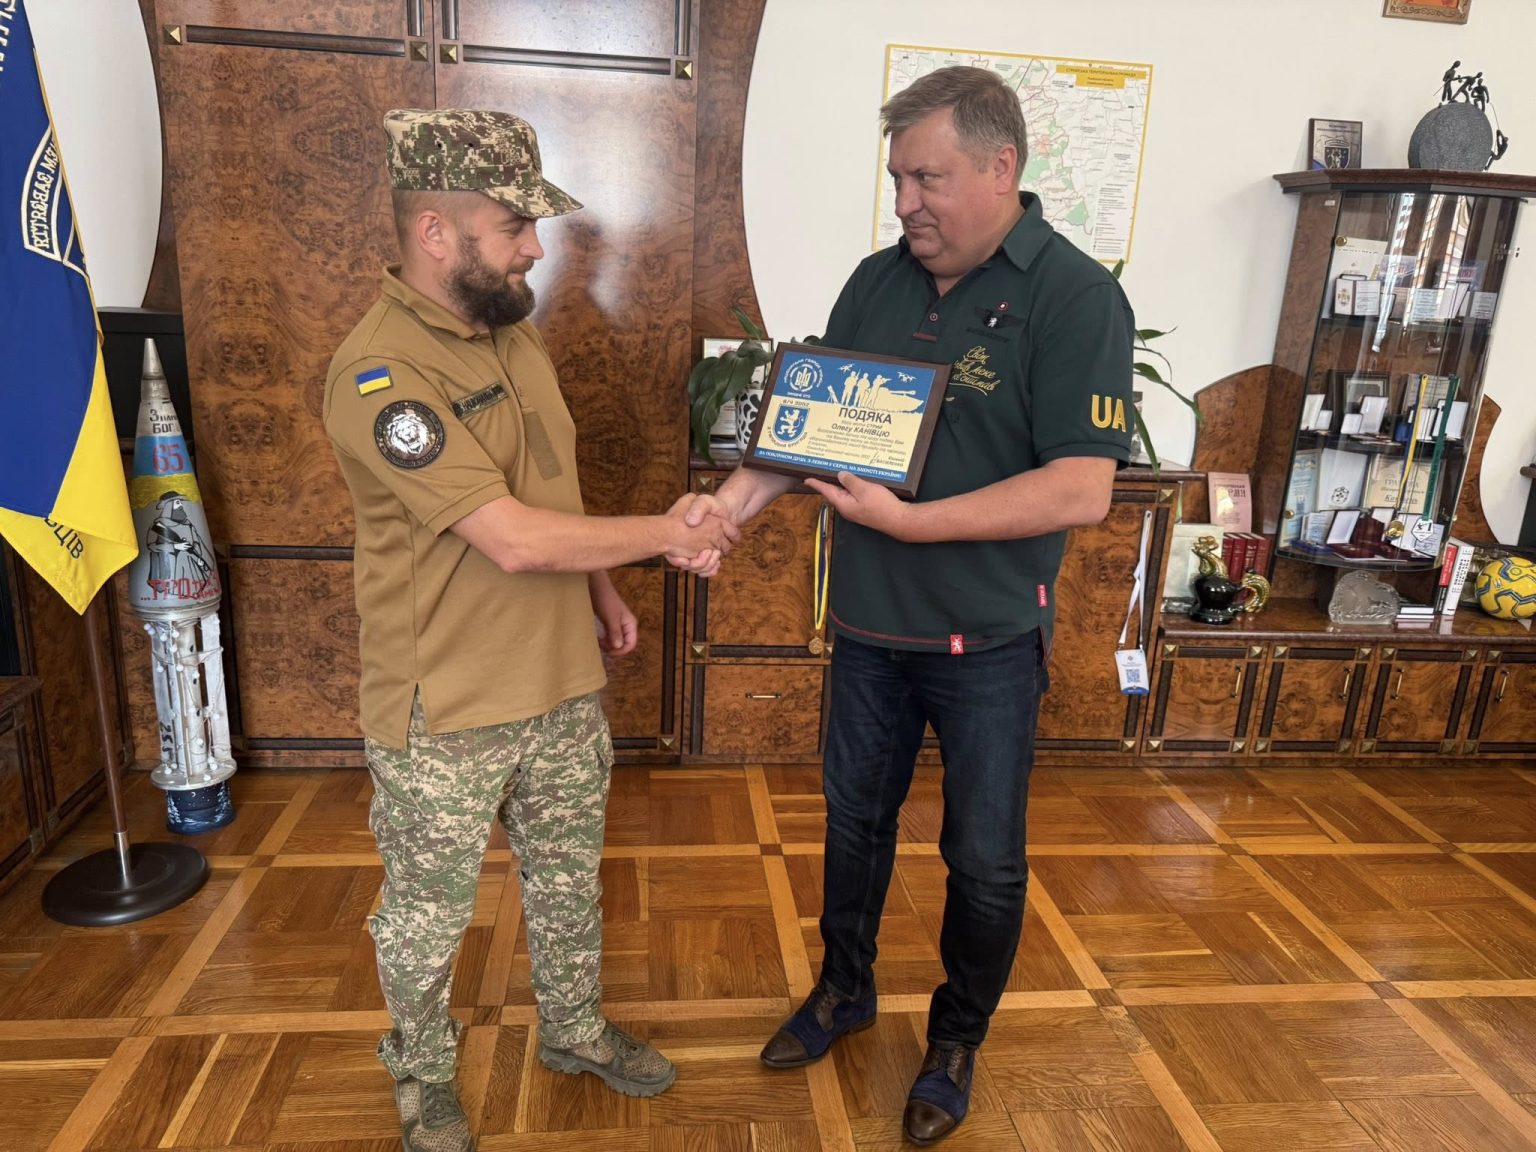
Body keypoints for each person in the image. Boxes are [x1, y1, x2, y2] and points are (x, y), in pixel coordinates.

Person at [682, 67, 1134, 1145]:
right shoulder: (876, 284)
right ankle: (844, 989)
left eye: (928, 178)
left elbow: (1082, 487)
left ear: (1001, 167)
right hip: (869, 631)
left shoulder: (1075, 297)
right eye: (898, 179)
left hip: (988, 641)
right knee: (854, 824)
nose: (907, 202)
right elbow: (807, 437)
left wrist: (913, 523)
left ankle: (956, 1039)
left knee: (983, 859)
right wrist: (725, 509)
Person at [323, 108, 736, 1152]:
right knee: (427, 917)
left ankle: (574, 1031)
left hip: (558, 680)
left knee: (565, 879)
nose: (536, 248)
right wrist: (670, 533)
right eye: (513, 225)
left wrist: (601, 592)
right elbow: (508, 536)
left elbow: (549, 485)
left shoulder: (513, 334)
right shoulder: (379, 377)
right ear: (435, 232)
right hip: (448, 703)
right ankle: (423, 1078)